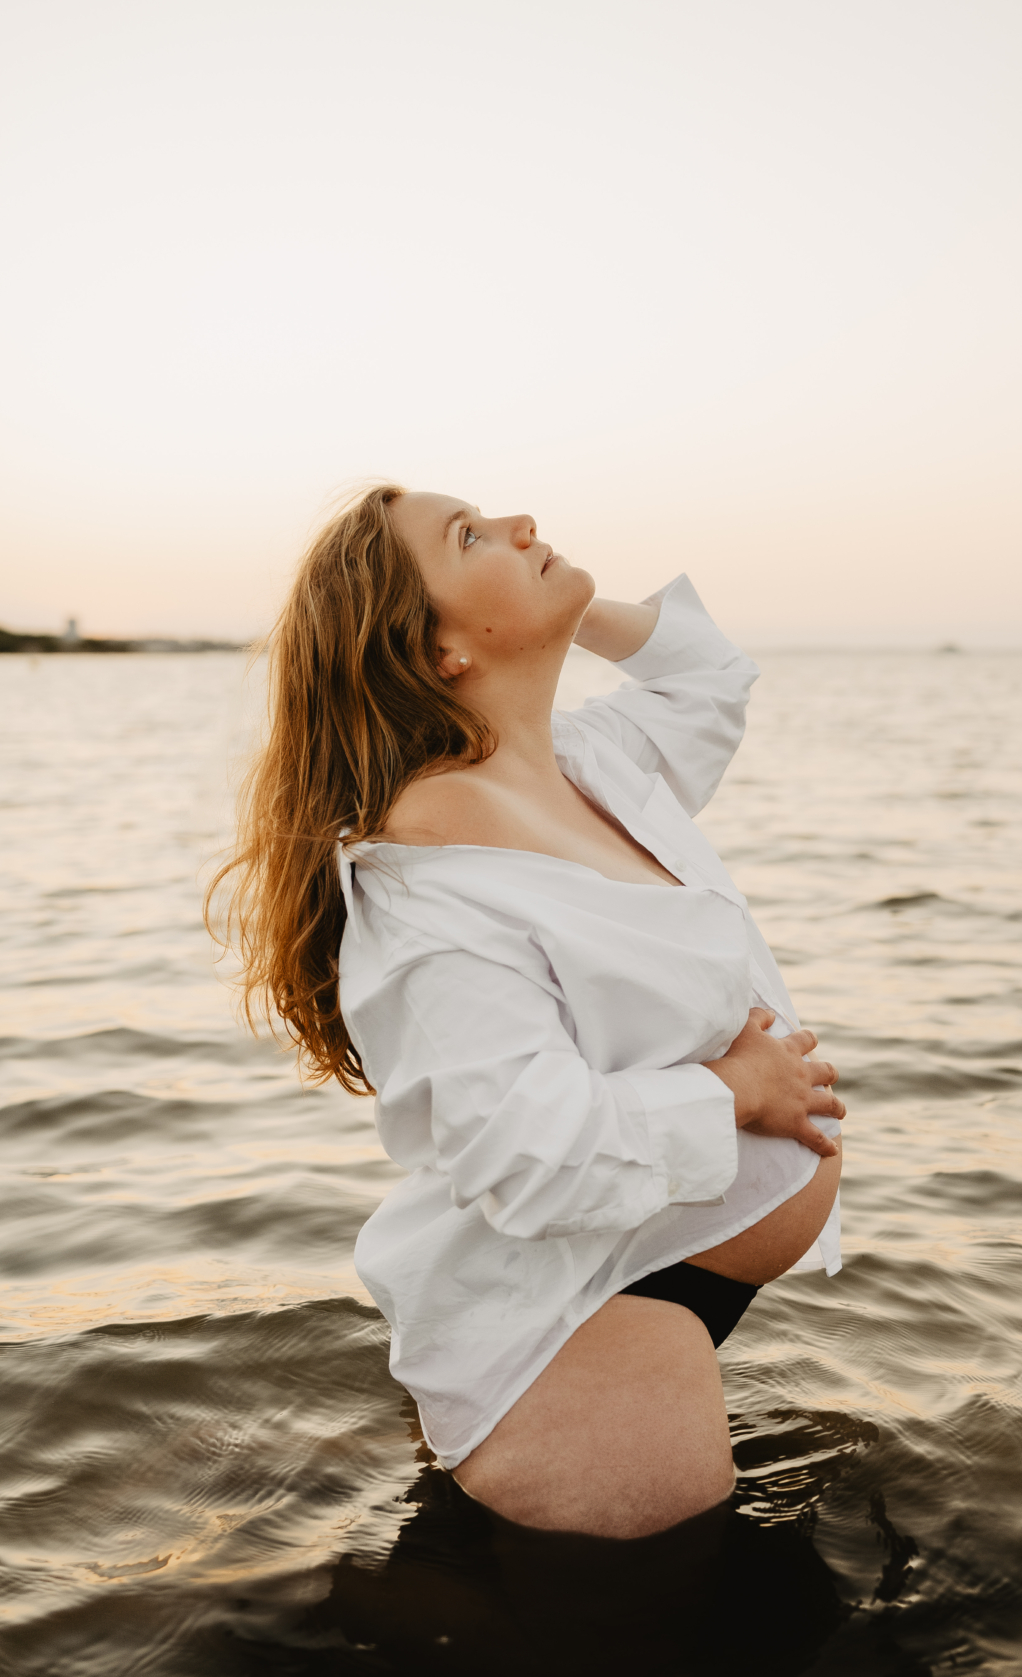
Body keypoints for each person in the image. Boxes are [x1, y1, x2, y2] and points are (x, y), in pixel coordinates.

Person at [209, 484, 845, 1541]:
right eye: (469, 537)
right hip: (577, 1329)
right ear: (434, 648)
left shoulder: (585, 765)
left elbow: (705, 671)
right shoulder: (431, 876)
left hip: (639, 1278)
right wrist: (728, 1094)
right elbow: (522, 1149)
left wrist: (559, 604)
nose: (518, 522)